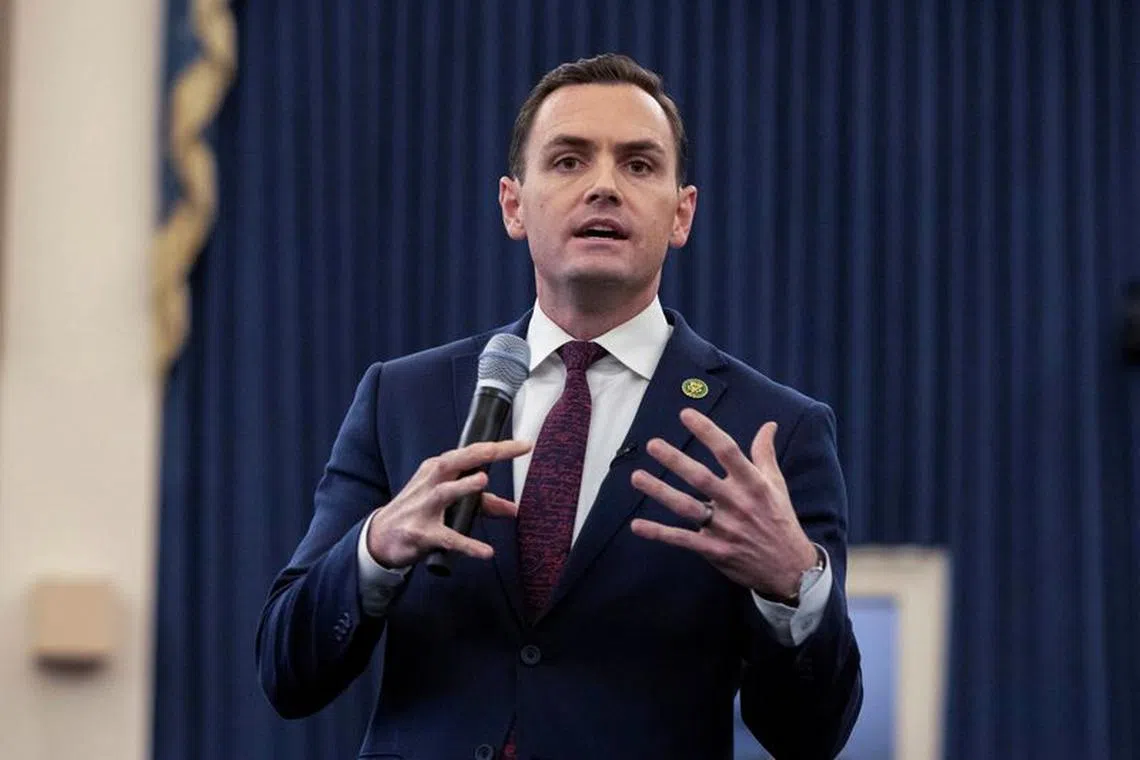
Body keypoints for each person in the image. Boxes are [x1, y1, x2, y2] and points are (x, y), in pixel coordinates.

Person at [257, 53, 862, 760]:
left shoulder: (771, 432)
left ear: (681, 213)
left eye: (638, 165)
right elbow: (287, 672)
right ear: (514, 205)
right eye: (570, 160)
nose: (604, 186)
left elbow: (811, 736)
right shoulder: (404, 399)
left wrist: (795, 586)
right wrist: (375, 549)